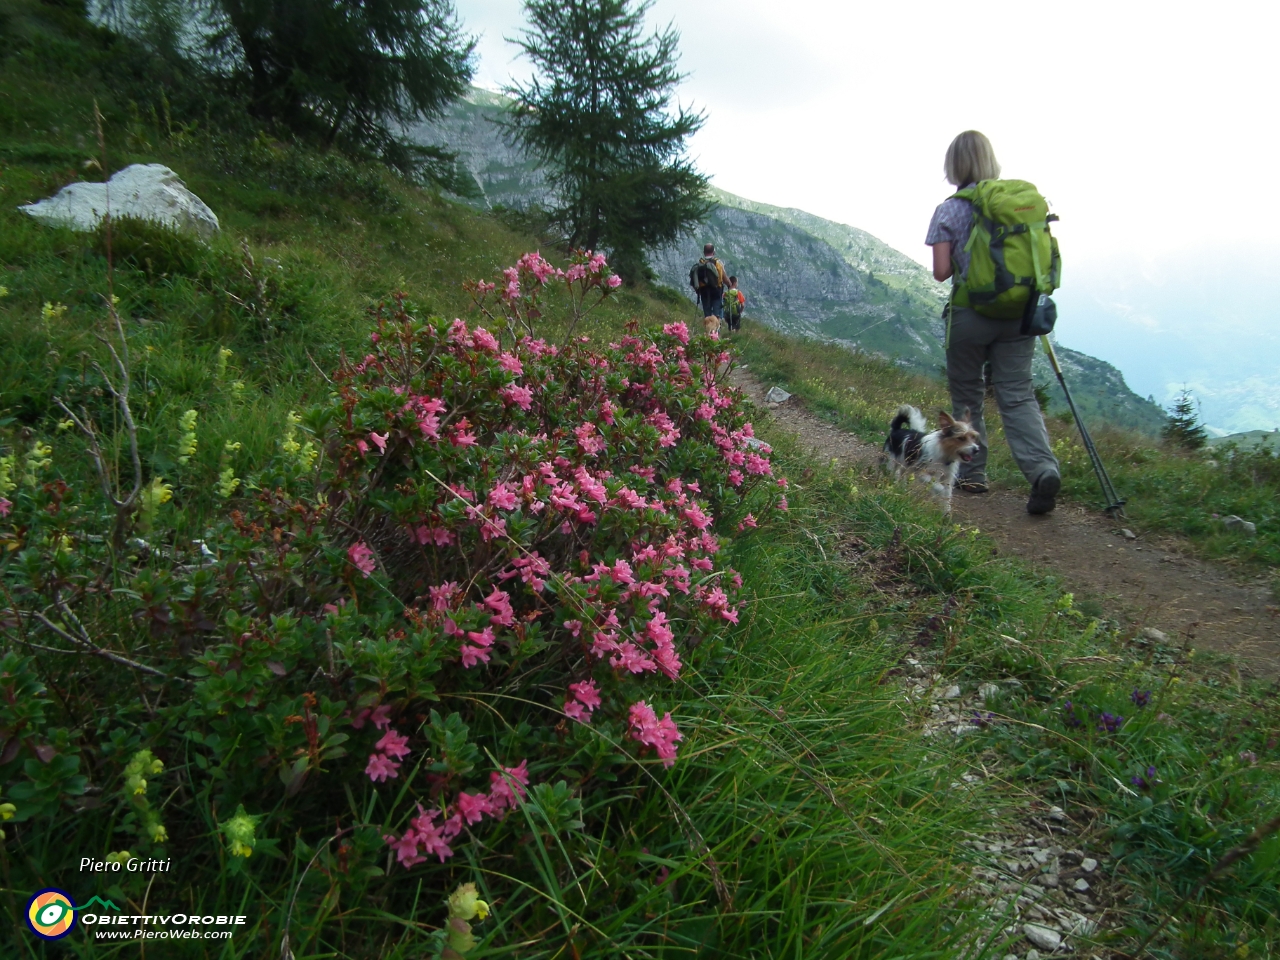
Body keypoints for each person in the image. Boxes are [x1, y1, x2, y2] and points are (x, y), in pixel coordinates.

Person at [925, 130, 1061, 514]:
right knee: (1017, 394)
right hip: (1020, 313)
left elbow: (940, 271)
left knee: (968, 394)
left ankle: (972, 474)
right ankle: (1042, 471)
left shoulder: (950, 209)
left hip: (971, 314)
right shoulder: (1020, 203)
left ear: (954, 165)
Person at [689, 243, 728, 320]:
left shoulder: (700, 264)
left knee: (707, 314)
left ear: (704, 252)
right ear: (714, 252)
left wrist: (698, 291)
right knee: (716, 313)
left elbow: (693, 280)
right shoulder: (717, 263)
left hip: (704, 291)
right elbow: (724, 278)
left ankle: (708, 329)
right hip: (716, 291)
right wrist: (730, 285)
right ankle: (716, 330)